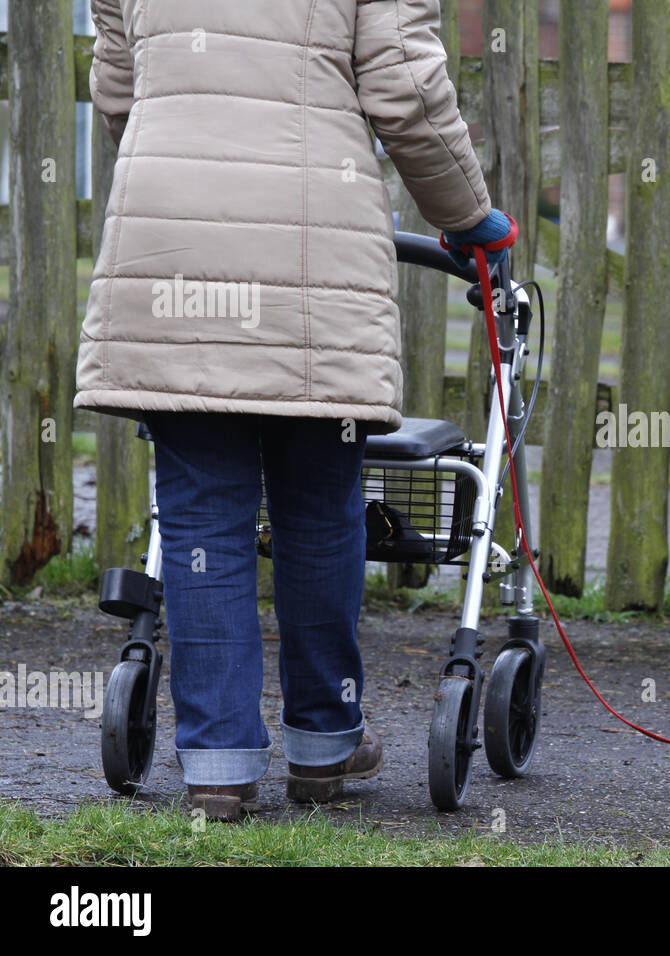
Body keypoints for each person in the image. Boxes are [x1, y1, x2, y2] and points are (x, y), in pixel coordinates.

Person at [77, 0, 514, 821]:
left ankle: (217, 765)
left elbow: (118, 88)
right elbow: (405, 90)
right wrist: (467, 216)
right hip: (314, 248)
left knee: (201, 516)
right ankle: (324, 740)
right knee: (319, 510)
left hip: (172, 247)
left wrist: (184, 167)